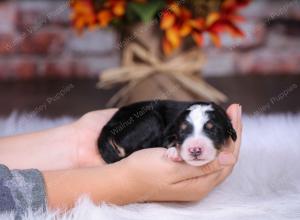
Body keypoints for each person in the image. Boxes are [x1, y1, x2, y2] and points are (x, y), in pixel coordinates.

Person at [0, 104, 242, 217]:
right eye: (185, 134)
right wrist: (124, 180)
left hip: (122, 129)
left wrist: (75, 141)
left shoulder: (194, 116)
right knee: (150, 124)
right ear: (176, 135)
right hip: (122, 131)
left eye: (211, 131)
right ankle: (125, 151)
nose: (197, 146)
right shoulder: (171, 125)